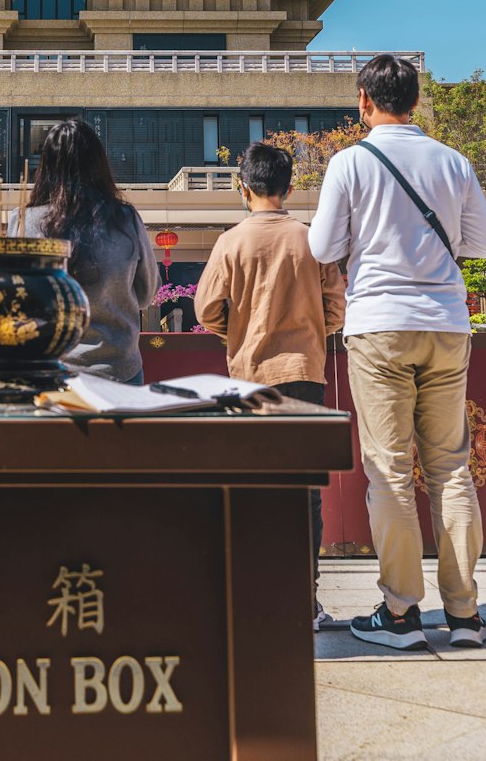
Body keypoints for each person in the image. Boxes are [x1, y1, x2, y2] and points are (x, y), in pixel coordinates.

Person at [309, 54, 486, 651]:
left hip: (380, 326)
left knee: (389, 470)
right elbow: (482, 244)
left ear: (364, 99)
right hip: (446, 324)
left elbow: (322, 246)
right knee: (450, 468)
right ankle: (464, 615)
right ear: (416, 100)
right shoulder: (453, 161)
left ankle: (400, 614)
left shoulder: (350, 162)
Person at [195, 142, 346, 628]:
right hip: (304, 375)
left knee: (253, 487)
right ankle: (306, 598)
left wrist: (237, 334)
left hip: (249, 379)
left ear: (243, 188)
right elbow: (337, 309)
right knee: (305, 492)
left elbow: (205, 311)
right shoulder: (310, 239)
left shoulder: (230, 242)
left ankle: (254, 592)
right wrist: (309, 332)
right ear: (289, 187)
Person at [8, 118, 158, 383]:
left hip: (44, 369)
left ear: (45, 167)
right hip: (118, 369)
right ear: (99, 165)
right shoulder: (126, 219)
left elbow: (11, 298)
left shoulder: (22, 223)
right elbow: (147, 292)